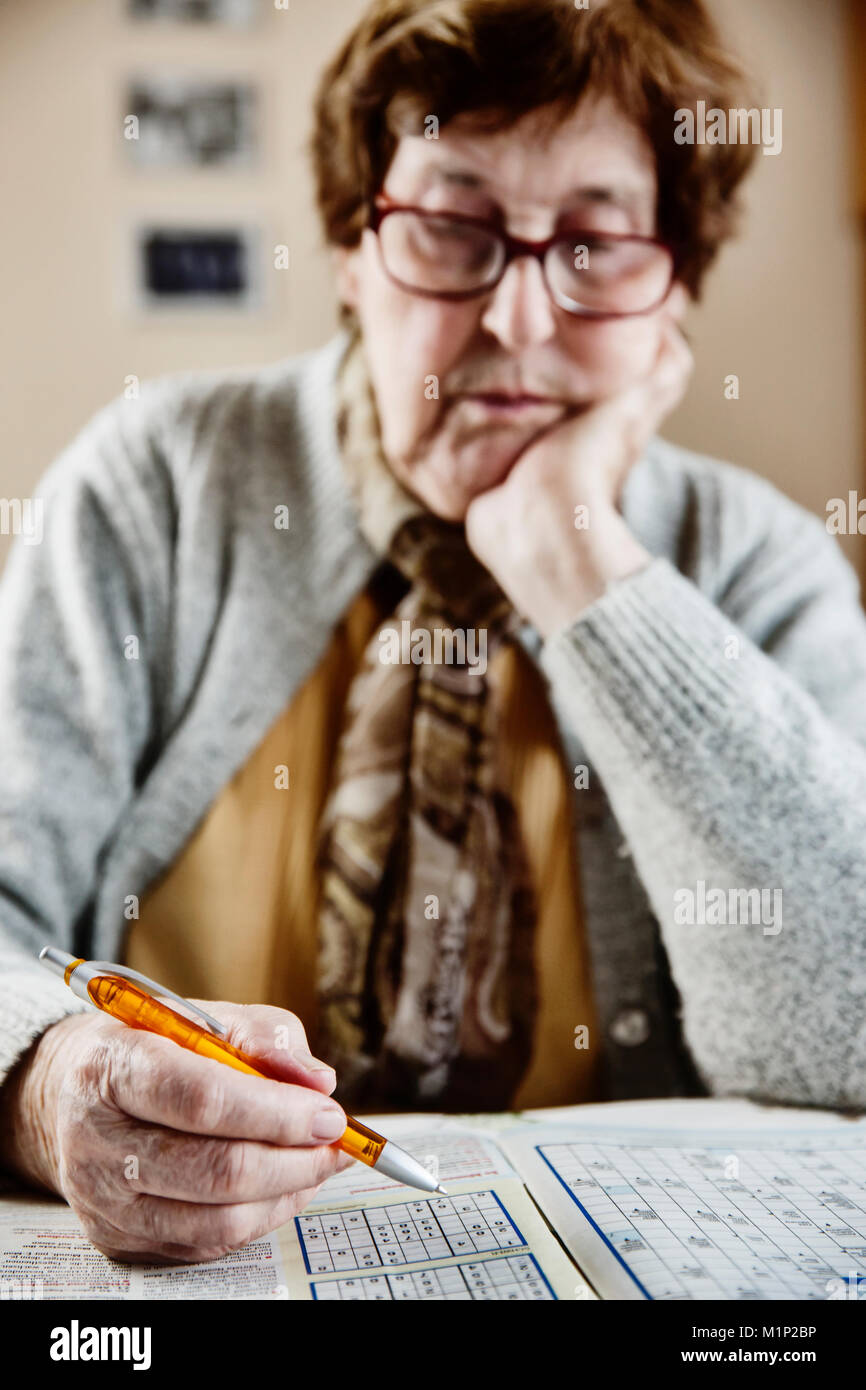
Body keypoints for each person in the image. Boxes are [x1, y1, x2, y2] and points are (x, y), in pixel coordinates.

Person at [2, 0, 866, 1266]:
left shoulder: (754, 556)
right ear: (355, 250)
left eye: (595, 242)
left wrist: (579, 561)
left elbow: (839, 1031)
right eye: (452, 225)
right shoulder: (157, 490)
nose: (518, 320)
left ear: (671, 286)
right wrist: (44, 1080)